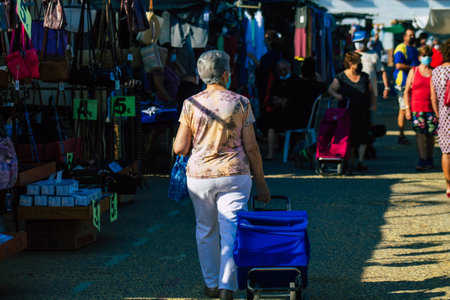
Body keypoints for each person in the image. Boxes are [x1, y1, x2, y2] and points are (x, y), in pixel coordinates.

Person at [173, 50, 271, 299]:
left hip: (199, 177)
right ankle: (228, 285)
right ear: (226, 73)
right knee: (232, 229)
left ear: (201, 75)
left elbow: (180, 147)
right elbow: (251, 147)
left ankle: (211, 284)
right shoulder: (241, 102)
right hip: (234, 175)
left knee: (205, 229)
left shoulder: (190, 103)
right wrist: (261, 183)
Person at [328, 52, 376, 173]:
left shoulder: (364, 76)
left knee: (363, 135)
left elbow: (371, 91)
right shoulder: (341, 77)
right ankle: (349, 161)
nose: (360, 65)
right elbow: (330, 89)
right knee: (349, 136)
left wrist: (373, 104)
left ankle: (360, 161)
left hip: (363, 110)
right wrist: (337, 95)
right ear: (350, 64)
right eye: (358, 63)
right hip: (346, 111)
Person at [257, 59, 303, 160]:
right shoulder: (277, 82)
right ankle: (272, 152)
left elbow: (299, 100)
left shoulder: (297, 81)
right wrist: (276, 101)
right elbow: (270, 98)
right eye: (280, 70)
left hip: (294, 114)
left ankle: (283, 150)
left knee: (274, 123)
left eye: (284, 69)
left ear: (289, 68)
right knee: (265, 122)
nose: (283, 72)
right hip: (279, 112)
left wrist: (286, 101)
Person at [404, 45, 438, 171]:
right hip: (417, 108)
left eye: (428, 55)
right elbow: (407, 90)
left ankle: (429, 158)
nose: (426, 58)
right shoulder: (414, 71)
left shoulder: (435, 71)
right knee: (420, 134)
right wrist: (407, 108)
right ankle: (422, 159)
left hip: (432, 108)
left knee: (430, 135)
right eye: (424, 55)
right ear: (419, 57)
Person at [430, 39, 450, 197]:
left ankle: (449, 185)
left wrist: (438, 114)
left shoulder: (436, 72)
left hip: (444, 115)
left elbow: (433, 98)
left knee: (446, 151)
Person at [393, 28, 420, 145]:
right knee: (403, 109)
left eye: (413, 35)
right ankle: (401, 135)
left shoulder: (414, 49)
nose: (412, 37)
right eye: (410, 35)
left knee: (412, 108)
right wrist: (414, 69)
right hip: (403, 83)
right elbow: (398, 65)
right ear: (404, 37)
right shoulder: (401, 48)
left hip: (413, 83)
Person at [353, 30, 390, 103]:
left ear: (366, 41)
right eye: (356, 42)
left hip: (371, 92)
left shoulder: (373, 54)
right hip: (355, 92)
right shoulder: (351, 56)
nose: (358, 44)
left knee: (371, 113)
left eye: (360, 41)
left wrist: (386, 87)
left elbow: (382, 71)